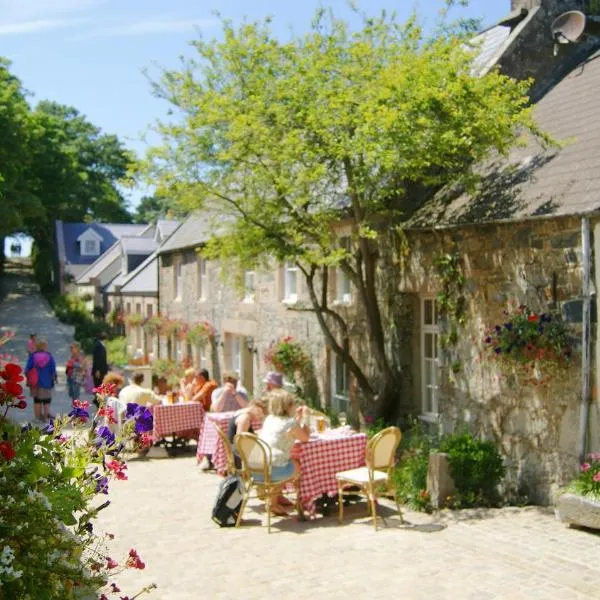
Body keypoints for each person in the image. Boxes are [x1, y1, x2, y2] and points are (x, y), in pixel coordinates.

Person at [256, 389, 310, 516]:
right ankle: (274, 500)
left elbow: (287, 431)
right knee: (298, 465)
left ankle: (273, 497)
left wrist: (297, 418)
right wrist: (306, 419)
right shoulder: (289, 423)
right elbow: (305, 438)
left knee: (286, 462)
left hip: (256, 468)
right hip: (272, 469)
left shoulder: (270, 418)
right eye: (292, 403)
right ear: (288, 406)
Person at [25, 339, 57, 423]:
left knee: (37, 400)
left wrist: (28, 378)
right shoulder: (49, 356)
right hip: (47, 382)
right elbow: (53, 370)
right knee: (46, 400)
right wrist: (53, 378)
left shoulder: (33, 356)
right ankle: (46, 417)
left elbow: (27, 368)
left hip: (35, 382)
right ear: (45, 347)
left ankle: (37, 417)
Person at [92, 332, 109, 406]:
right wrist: (97, 370)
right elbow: (97, 359)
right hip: (99, 371)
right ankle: (97, 402)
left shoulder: (100, 345)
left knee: (100, 386)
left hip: (101, 370)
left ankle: (98, 401)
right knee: (99, 386)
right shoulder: (99, 346)